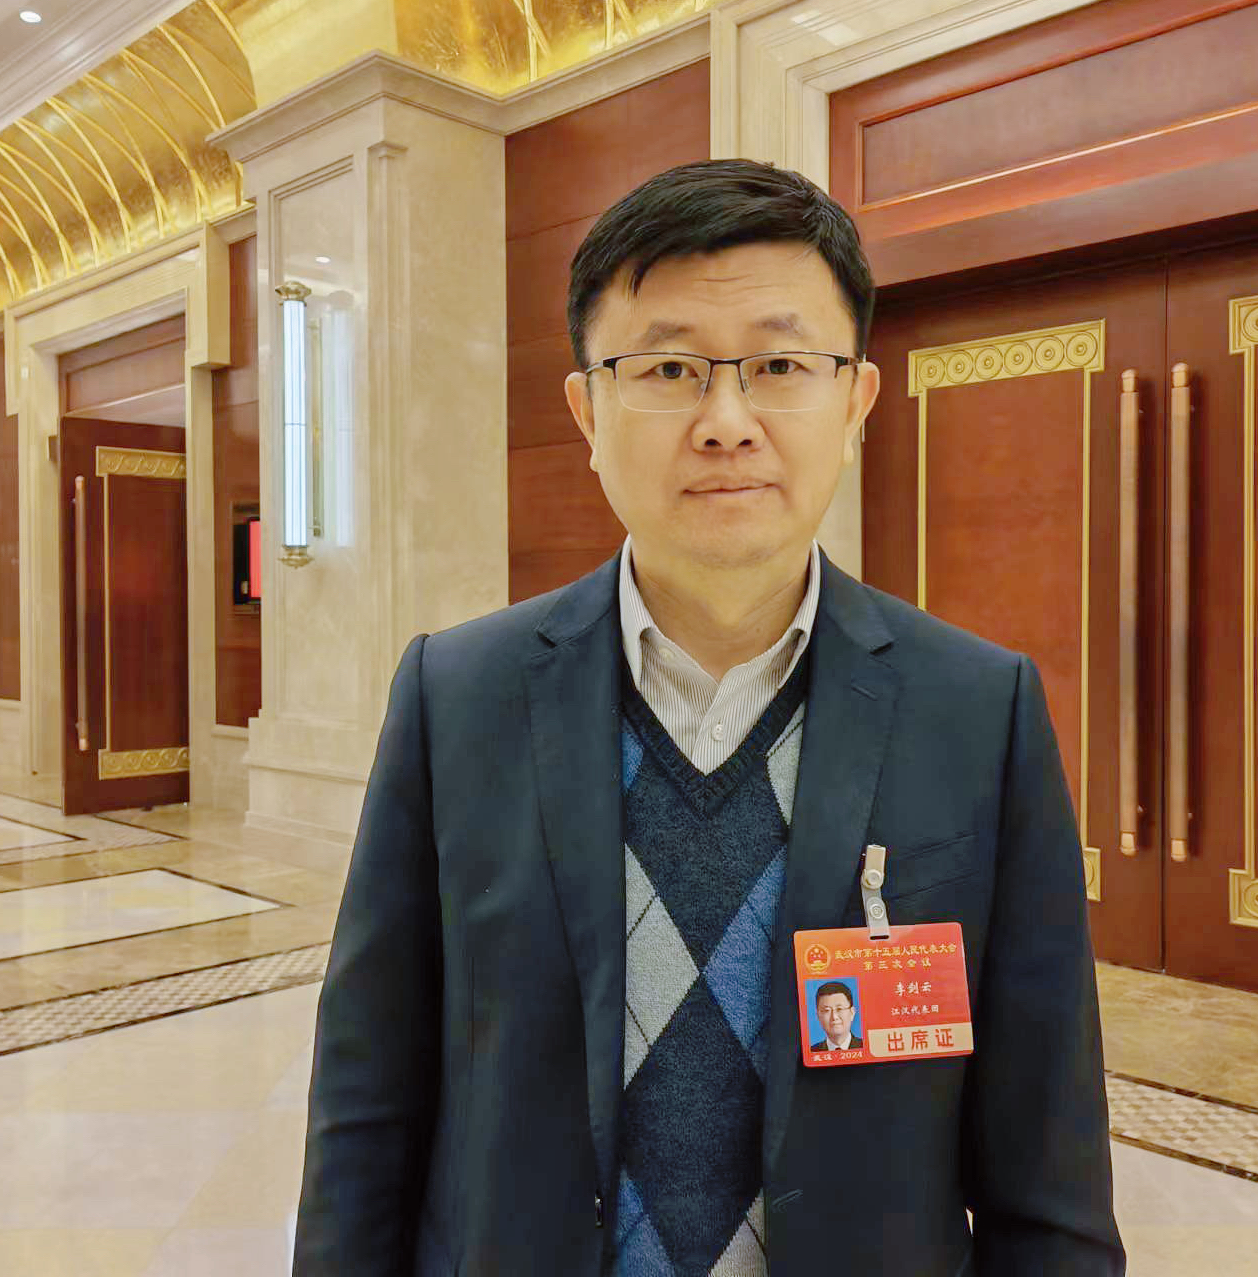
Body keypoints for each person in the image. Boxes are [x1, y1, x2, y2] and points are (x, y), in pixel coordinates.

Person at [293, 158, 1124, 1276]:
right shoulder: (459, 695)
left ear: (856, 402)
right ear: (588, 412)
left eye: (780, 365)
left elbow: (1048, 1160)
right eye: (669, 368)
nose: (726, 422)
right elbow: (367, 1099)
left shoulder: (979, 709)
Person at [809, 981, 862, 1052]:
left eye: (839, 1009)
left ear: (852, 1013)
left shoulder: (867, 1047)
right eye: (827, 1010)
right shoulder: (811, 1052)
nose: (834, 1017)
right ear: (818, 1015)